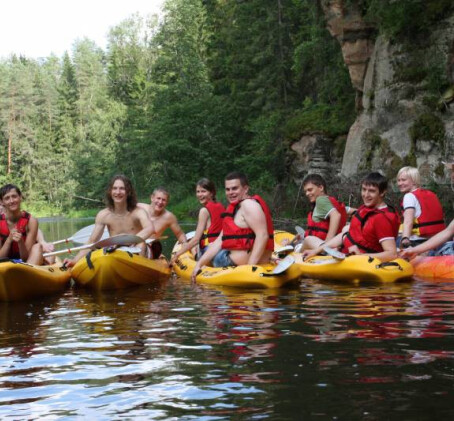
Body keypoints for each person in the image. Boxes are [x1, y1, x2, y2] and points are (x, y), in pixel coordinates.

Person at [191, 172, 274, 280]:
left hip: (235, 264)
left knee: (207, 249)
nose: (230, 192)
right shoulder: (237, 207)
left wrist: (250, 268)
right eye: (227, 189)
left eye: (234, 188)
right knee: (212, 247)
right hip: (235, 260)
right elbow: (220, 240)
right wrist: (199, 264)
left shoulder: (248, 205)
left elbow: (262, 235)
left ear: (245, 189)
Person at [302, 172, 400, 262]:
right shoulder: (365, 209)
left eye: (371, 191)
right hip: (343, 252)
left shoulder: (381, 218)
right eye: (364, 190)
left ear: (382, 192)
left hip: (353, 259)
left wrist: (361, 256)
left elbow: (392, 254)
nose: (366, 195)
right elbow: (345, 235)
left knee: (308, 239)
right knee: (346, 229)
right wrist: (316, 251)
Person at [64, 175, 154, 267]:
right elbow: (92, 241)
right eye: (114, 188)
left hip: (137, 247)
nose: (118, 192)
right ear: (110, 192)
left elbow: (150, 228)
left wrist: (130, 240)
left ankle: (138, 271)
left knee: (141, 244)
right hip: (116, 250)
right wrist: (75, 260)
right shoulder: (103, 215)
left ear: (128, 192)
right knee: (101, 252)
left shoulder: (138, 212)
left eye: (122, 188)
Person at [171, 178, 225, 264]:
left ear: (211, 193)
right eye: (198, 191)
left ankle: (197, 261)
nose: (200, 194)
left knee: (193, 245)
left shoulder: (204, 211)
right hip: (220, 247)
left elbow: (196, 239)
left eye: (203, 191)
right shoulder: (221, 206)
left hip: (210, 251)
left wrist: (177, 254)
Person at [396, 166, 446, 249]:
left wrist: (405, 239)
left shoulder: (409, 196)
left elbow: (408, 221)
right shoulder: (431, 194)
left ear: (414, 181)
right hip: (437, 239)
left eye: (404, 180)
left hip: (418, 241)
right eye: (398, 180)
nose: (400, 183)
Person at [299, 173, 348, 250]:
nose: (307, 193)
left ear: (321, 187)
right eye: (306, 191)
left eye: (310, 190)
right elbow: (352, 211)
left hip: (324, 247)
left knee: (308, 239)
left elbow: (336, 216)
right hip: (335, 245)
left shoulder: (321, 201)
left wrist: (327, 244)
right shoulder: (332, 202)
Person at [0, 184, 43, 265]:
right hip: (4, 265)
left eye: (14, 196)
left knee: (37, 247)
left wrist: (20, 242)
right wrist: (9, 240)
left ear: (20, 197)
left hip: (26, 263)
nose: (12, 201)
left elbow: (25, 258)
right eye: (7, 198)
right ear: (2, 202)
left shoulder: (31, 221)